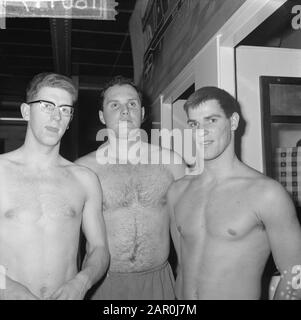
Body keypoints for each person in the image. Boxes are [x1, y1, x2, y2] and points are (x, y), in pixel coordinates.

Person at [167, 86, 301, 300]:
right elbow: (182, 267)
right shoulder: (177, 191)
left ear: (233, 121)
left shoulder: (267, 194)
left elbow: (296, 276)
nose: (202, 132)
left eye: (211, 120)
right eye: (194, 124)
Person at [0, 73, 109, 300]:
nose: (57, 117)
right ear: (26, 111)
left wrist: (81, 283)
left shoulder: (85, 179)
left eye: (65, 109)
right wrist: (8, 288)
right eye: (47, 106)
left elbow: (99, 248)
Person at [76, 76, 186, 300]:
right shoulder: (84, 169)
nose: (125, 110)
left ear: (143, 113)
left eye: (132, 103)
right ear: (101, 116)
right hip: (103, 283)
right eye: (114, 105)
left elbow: (184, 227)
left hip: (160, 282)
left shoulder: (172, 163)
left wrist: (185, 273)